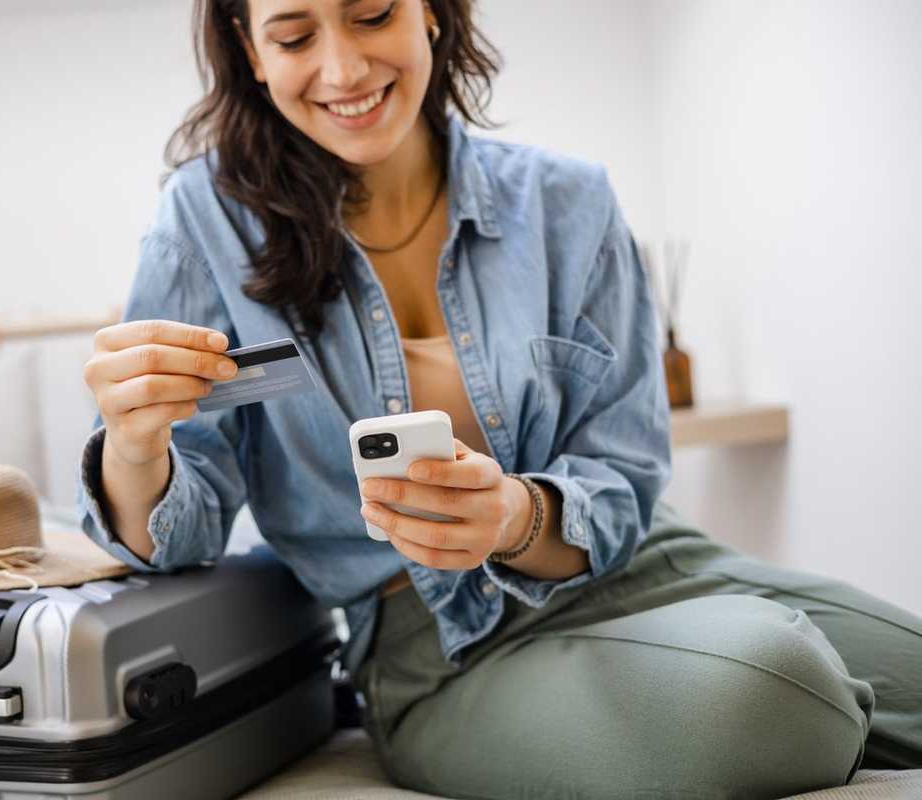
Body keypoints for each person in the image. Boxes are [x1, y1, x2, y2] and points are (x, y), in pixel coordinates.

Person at [77, 1, 922, 797]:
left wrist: (515, 517)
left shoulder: (567, 203)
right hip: (437, 651)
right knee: (774, 693)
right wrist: (135, 445)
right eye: (295, 37)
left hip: (644, 568)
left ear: (434, 11)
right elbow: (179, 539)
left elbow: (624, 471)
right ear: (251, 49)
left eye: (373, 14)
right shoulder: (206, 222)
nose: (340, 68)